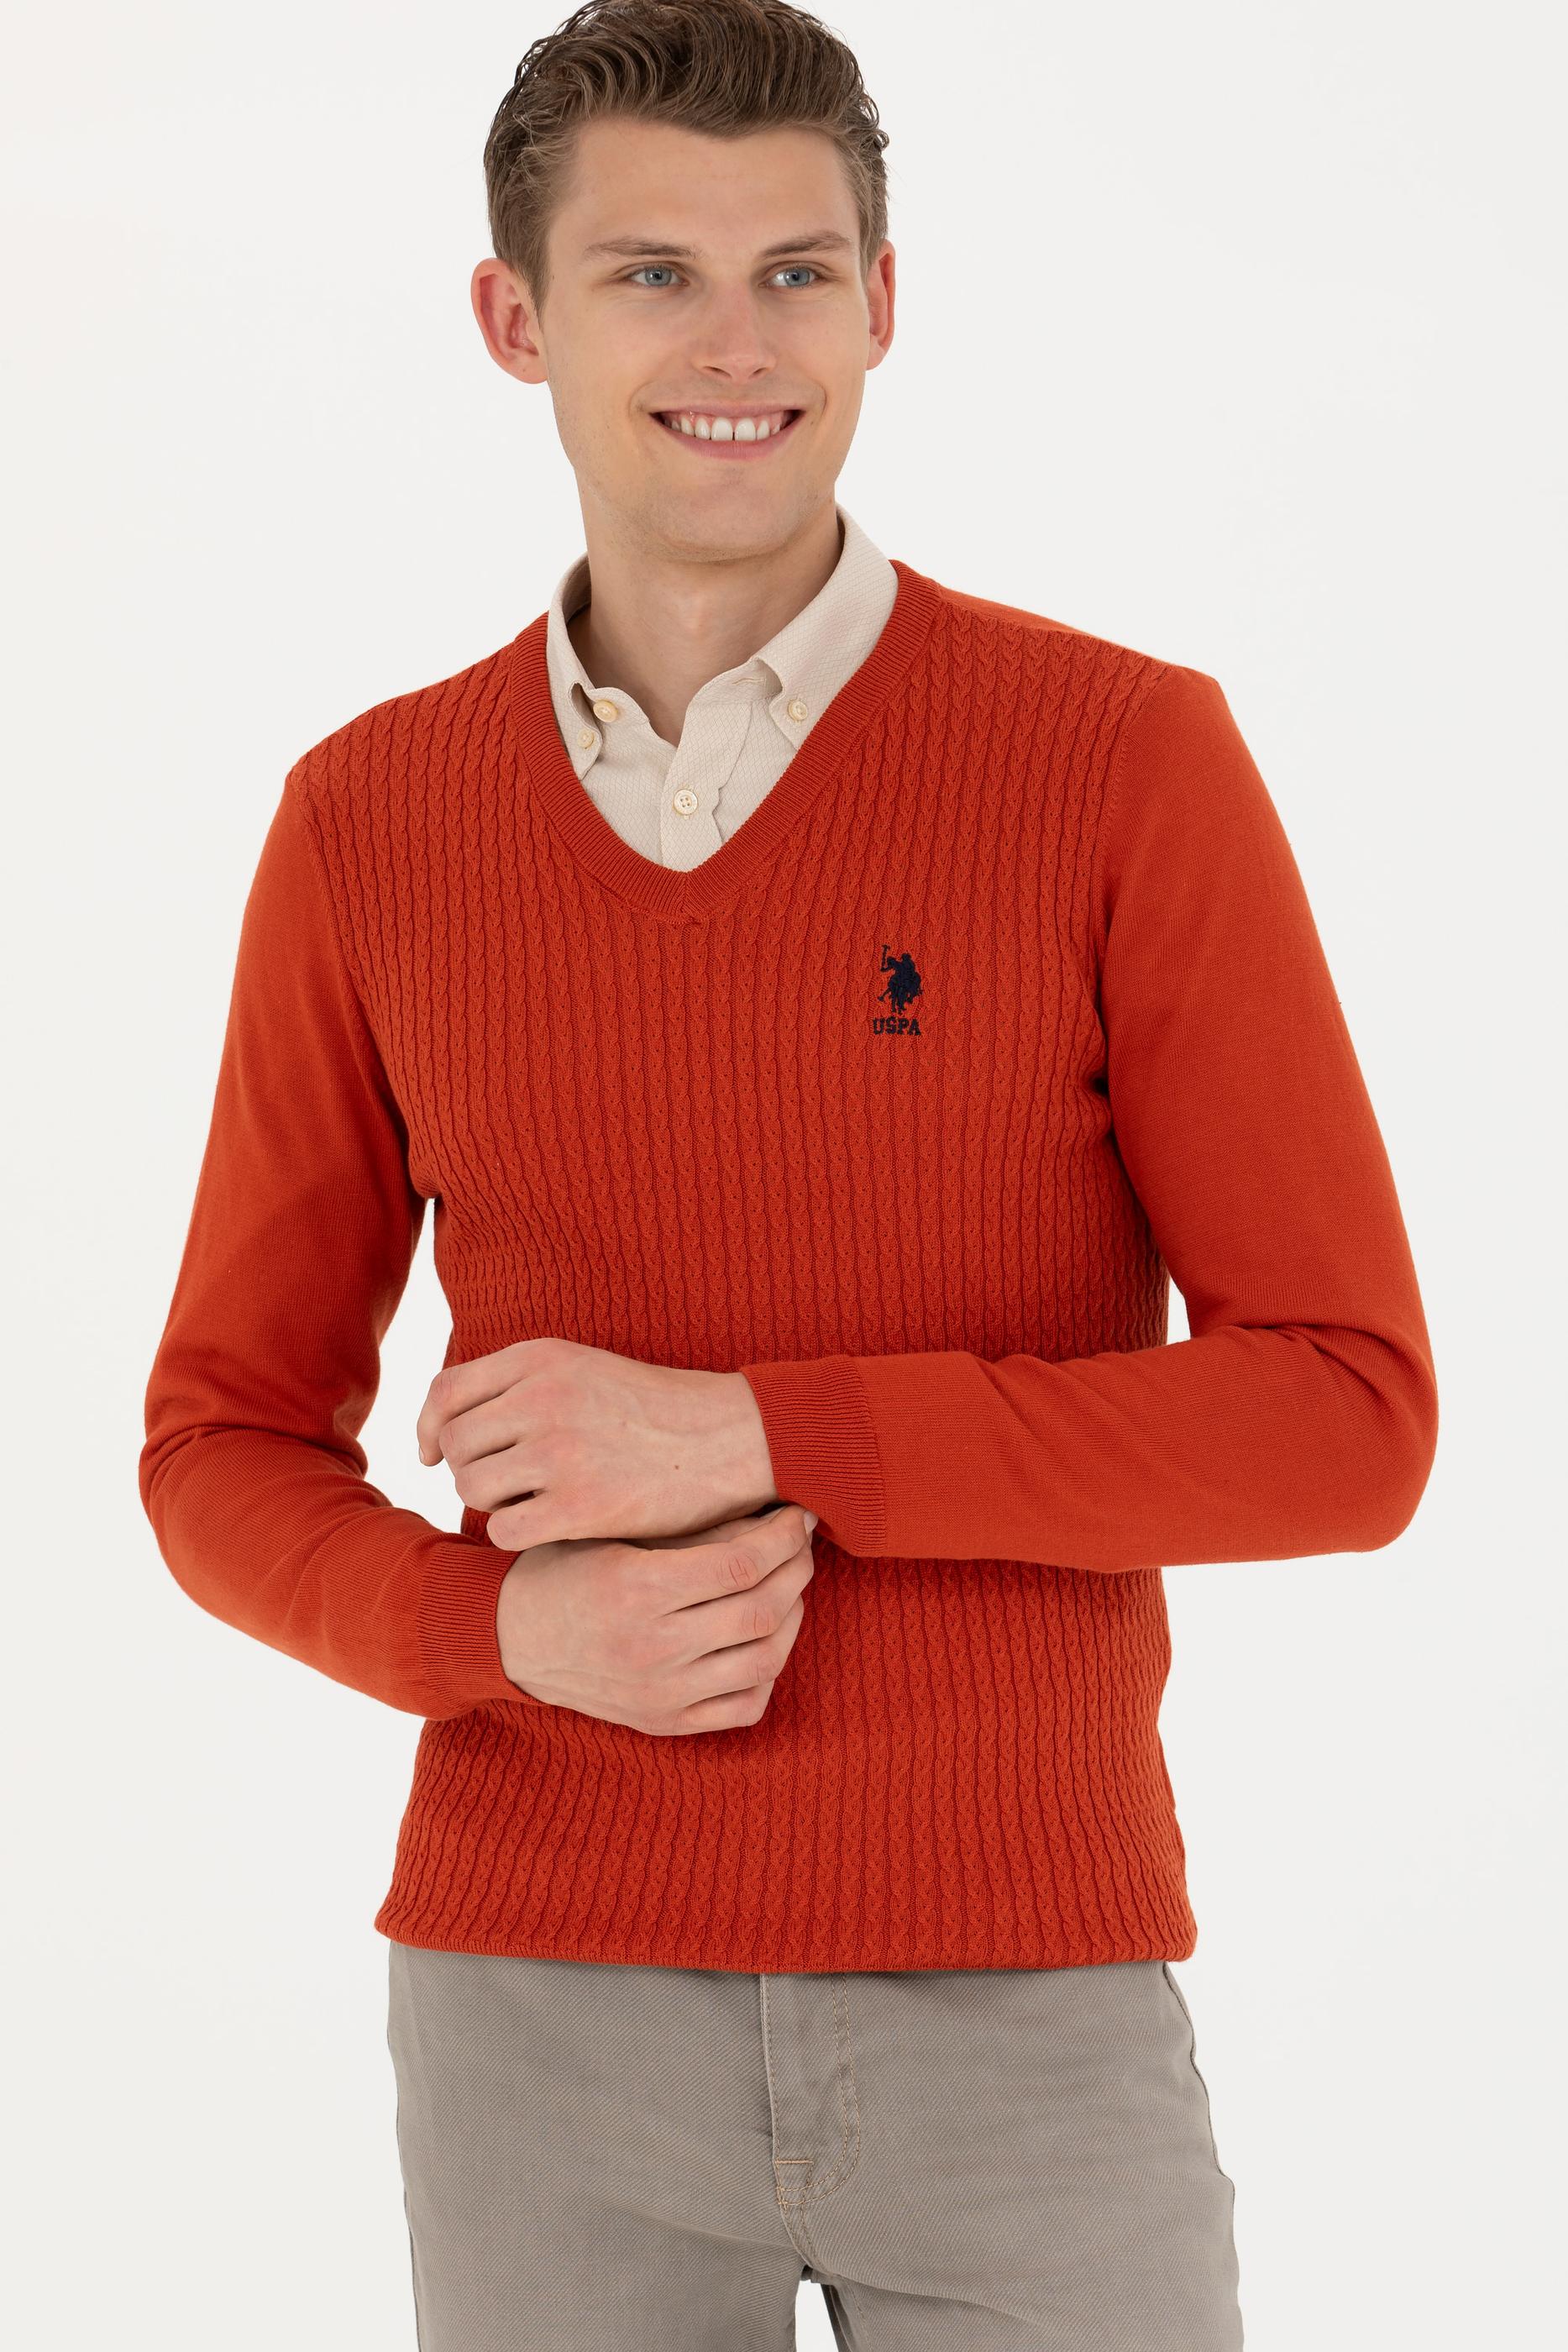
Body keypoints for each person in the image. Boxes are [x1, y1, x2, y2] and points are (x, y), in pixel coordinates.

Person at [139, 3, 1439, 2344]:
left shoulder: (1119, 760)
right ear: (513, 319)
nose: (735, 345)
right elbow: (217, 1444)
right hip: (536, 2014)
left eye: (795, 273)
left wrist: (759, 1431)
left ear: (883, 304)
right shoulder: (369, 820)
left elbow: (1346, 1417)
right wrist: (493, 1636)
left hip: (1025, 2003)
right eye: (651, 274)